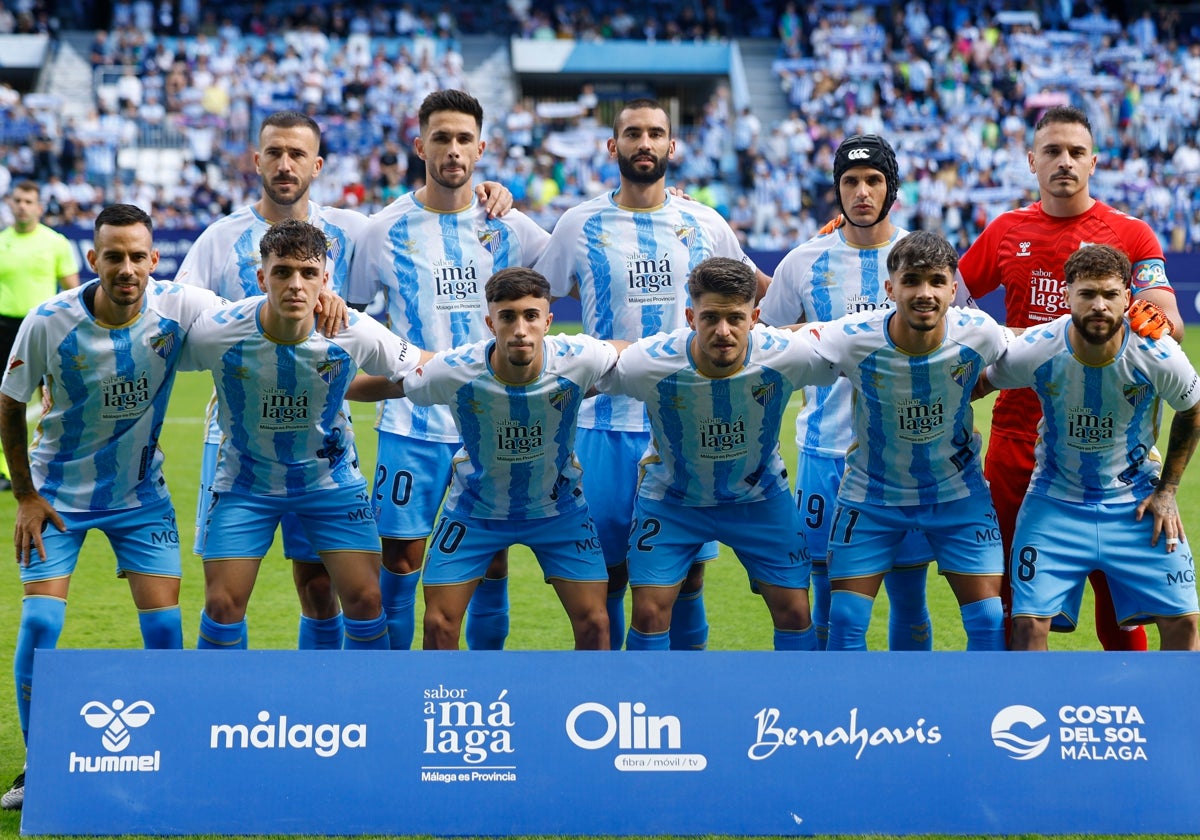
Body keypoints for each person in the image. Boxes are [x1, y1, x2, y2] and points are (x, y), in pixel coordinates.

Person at [0, 204, 220, 811]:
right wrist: (23, 495)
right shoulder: (49, 321)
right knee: (41, 624)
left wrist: (328, 303)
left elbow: (254, 317)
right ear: (92, 260)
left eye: (138, 256)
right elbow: (10, 400)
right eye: (113, 257)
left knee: (164, 627)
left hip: (139, 497)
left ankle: (171, 755)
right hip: (56, 498)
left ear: (156, 259)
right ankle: (36, 764)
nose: (127, 268)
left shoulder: (181, 307)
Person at [535, 98, 770, 650]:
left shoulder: (704, 223)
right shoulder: (579, 223)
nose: (645, 143)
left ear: (673, 146)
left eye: (656, 133)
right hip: (604, 426)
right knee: (608, 578)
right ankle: (613, 700)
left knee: (687, 577)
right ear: (612, 147)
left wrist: (824, 245)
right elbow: (537, 300)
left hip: (687, 429)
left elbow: (762, 291)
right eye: (633, 133)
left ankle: (682, 698)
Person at [957, 105, 1186, 652]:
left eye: (1076, 152)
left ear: (1094, 162)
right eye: (1053, 151)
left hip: (1110, 447)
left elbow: (1166, 316)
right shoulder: (1007, 230)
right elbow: (950, 302)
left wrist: (1156, 318)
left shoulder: (1129, 233)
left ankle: (1126, 724)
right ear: (1031, 160)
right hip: (1017, 443)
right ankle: (1020, 720)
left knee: (1121, 613)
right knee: (1020, 609)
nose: (1064, 161)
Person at [347, 89, 548, 651]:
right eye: (441, 137)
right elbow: (354, 321)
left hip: (491, 426)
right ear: (420, 145)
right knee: (401, 557)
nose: (453, 149)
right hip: (411, 426)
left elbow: (573, 265)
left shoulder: (510, 226)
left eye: (464, 139)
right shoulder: (381, 230)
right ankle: (398, 684)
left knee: (490, 559)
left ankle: (484, 684)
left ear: (481, 148)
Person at [180, 220, 426, 652]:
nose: (296, 285)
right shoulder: (217, 330)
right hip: (244, 485)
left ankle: (361, 710)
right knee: (222, 606)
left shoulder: (352, 330)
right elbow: (153, 354)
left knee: (367, 600)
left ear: (326, 280)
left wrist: (500, 362)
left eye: (309, 274)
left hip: (329, 485)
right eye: (283, 272)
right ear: (261, 278)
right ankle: (219, 714)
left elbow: (425, 367)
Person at [350, 268, 618, 650]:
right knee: (439, 624)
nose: (520, 329)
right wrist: (336, 387)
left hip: (559, 511)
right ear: (491, 322)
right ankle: (445, 705)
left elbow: (627, 353)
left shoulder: (581, 357)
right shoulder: (454, 369)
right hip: (474, 512)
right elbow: (402, 383)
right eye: (508, 317)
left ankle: (588, 703)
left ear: (548, 321)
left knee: (595, 623)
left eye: (530, 316)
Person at [599, 257, 836, 651]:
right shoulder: (650, 362)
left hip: (759, 500)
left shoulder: (788, 355)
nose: (723, 331)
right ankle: (646, 707)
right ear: (690, 316)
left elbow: (856, 343)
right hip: (672, 501)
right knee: (649, 612)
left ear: (755, 318)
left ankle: (798, 704)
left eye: (735, 319)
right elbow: (591, 367)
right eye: (710, 318)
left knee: (795, 611)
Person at [757, 134, 935, 651]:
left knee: (908, 592)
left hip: (903, 457)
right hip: (825, 452)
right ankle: (826, 708)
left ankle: (910, 705)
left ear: (891, 187)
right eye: (850, 181)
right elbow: (764, 349)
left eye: (873, 180)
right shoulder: (803, 262)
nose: (862, 191)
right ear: (836, 189)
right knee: (826, 589)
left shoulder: (921, 260)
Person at [979, 245, 1200, 651]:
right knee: (1026, 630)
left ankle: (1175, 715)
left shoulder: (1157, 351)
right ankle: (1033, 714)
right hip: (1054, 502)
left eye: (1110, 294)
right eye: (1087, 294)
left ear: (1128, 298)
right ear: (1066, 296)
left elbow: (1194, 410)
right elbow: (977, 384)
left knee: (1184, 625)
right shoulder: (1040, 345)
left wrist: (1167, 492)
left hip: (1136, 503)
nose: (1099, 305)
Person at [812, 231, 1009, 651]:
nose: (925, 293)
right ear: (890, 288)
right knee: (844, 619)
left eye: (937, 281)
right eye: (912, 280)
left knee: (990, 618)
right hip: (872, 495)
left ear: (954, 289)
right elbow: (787, 345)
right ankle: (846, 715)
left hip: (957, 495)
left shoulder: (981, 333)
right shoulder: (851, 337)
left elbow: (1040, 350)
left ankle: (985, 715)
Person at [0, 180, 80, 490]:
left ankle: (55, 466)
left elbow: (72, 290)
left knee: (51, 400)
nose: (22, 205)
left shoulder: (56, 242)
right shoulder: (2, 241)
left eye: (28, 201)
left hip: (42, 329)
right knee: (5, 400)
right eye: (18, 200)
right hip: (4, 328)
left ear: (39, 208)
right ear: (10, 203)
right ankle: (6, 471)